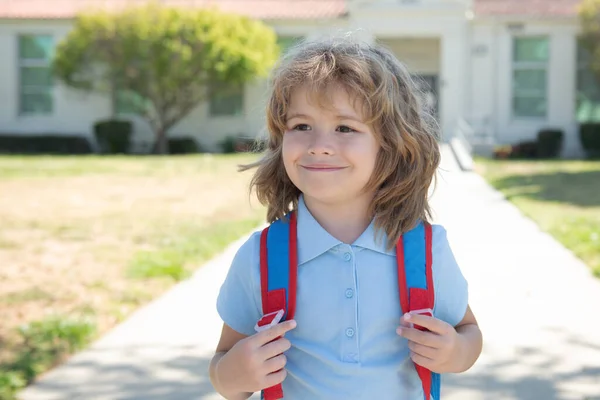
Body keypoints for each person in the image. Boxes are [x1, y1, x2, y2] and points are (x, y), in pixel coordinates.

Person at [208, 35, 482, 400]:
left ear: (390, 146)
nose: (319, 144)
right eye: (301, 126)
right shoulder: (261, 257)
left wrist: (455, 353)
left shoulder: (426, 251)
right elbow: (223, 369)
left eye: (345, 128)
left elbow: (469, 332)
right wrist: (236, 374)